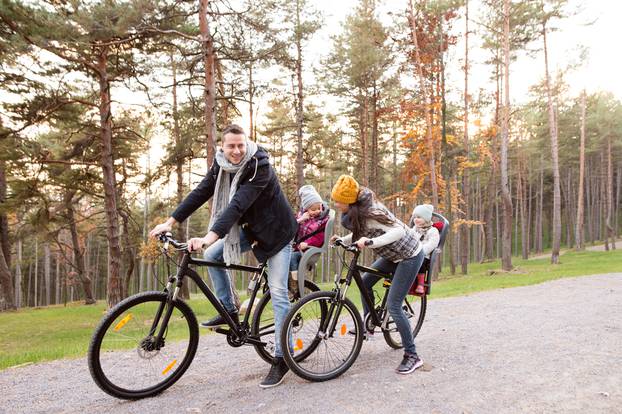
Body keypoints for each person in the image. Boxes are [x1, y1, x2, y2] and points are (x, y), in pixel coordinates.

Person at [149, 124, 297, 388]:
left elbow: (237, 204)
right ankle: (229, 308)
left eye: (241, 145)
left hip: (276, 232)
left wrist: (208, 236)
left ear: (247, 143)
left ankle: (282, 357)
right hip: (251, 229)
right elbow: (201, 192)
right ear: (222, 147)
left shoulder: (259, 166)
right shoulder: (221, 165)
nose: (237, 150)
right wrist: (169, 222)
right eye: (231, 146)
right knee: (214, 255)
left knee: (277, 292)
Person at [329, 175, 425, 375]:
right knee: (365, 282)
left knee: (394, 305)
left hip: (409, 255)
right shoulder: (358, 212)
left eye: (338, 201)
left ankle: (413, 356)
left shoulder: (373, 211)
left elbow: (398, 231)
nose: (335, 204)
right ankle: (369, 326)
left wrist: (370, 243)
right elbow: (363, 232)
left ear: (348, 201)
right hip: (392, 254)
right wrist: (344, 240)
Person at [289, 185, 330, 296]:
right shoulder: (302, 217)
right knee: (285, 256)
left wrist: (307, 243)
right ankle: (290, 281)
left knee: (292, 257)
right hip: (298, 248)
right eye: (313, 209)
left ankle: (295, 281)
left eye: (319, 208)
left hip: (309, 250)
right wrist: (300, 220)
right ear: (306, 209)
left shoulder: (322, 221)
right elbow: (293, 229)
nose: (317, 211)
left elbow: (319, 237)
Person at [409, 204, 440, 295]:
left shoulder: (433, 231)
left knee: (420, 261)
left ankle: (420, 284)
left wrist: (420, 251)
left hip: (424, 255)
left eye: (419, 217)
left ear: (426, 218)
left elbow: (432, 244)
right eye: (414, 217)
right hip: (411, 253)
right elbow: (408, 238)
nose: (416, 219)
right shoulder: (414, 229)